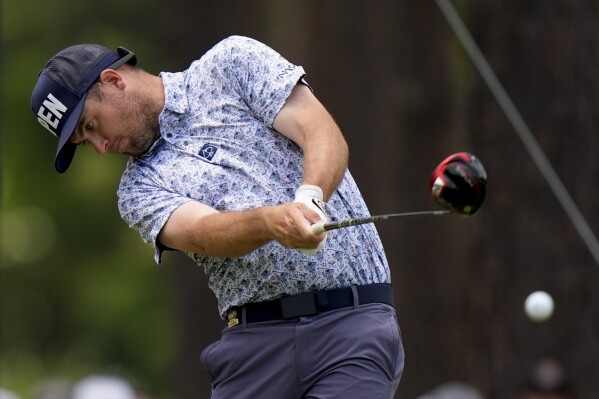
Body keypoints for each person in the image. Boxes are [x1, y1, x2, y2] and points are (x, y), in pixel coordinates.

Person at [31, 35, 404, 398]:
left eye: (91, 126)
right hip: (252, 348)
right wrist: (268, 222)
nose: (99, 147)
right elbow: (202, 232)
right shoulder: (137, 189)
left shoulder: (231, 63)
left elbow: (319, 131)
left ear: (113, 81)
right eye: (85, 142)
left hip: (350, 324)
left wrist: (311, 198)